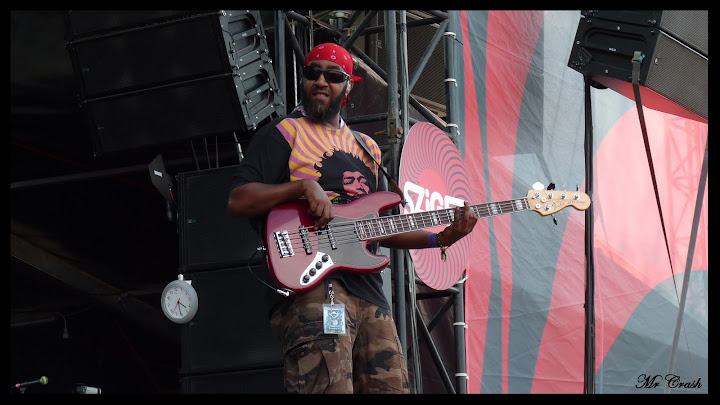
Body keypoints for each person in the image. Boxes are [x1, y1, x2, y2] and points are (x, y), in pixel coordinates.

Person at [228, 42, 477, 394]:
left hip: (370, 296)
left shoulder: (367, 149)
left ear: (349, 86)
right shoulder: (284, 133)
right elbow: (238, 200)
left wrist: (440, 238)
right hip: (312, 286)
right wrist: (301, 188)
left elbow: (378, 230)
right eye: (312, 73)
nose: (321, 82)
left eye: (333, 76)